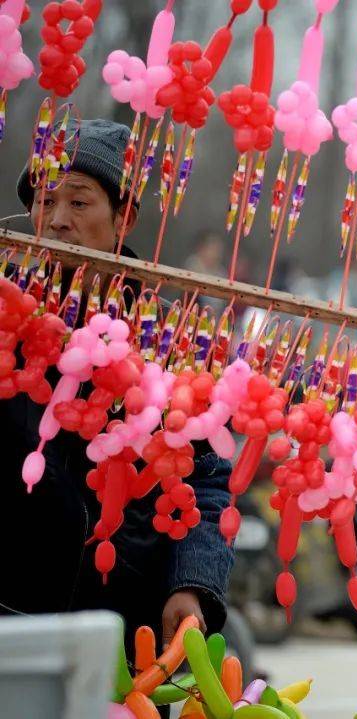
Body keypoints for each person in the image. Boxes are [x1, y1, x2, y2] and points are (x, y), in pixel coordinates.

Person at [0, 120, 234, 655]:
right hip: (10, 613)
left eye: (79, 203)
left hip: (123, 623)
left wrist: (192, 583)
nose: (56, 220)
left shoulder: (172, 336)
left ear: (124, 216)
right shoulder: (6, 317)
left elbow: (208, 479)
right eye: (42, 199)